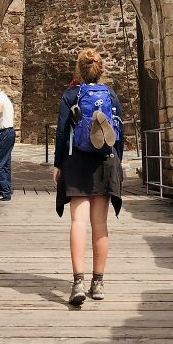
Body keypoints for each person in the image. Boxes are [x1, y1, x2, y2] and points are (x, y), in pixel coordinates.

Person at [53, 49, 123, 306]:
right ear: (100, 69)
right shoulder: (111, 95)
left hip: (77, 162)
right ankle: (99, 282)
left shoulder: (71, 95)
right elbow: (120, 129)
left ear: (78, 70)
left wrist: (58, 164)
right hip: (105, 162)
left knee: (78, 223)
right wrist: (119, 161)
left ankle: (78, 282)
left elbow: (62, 133)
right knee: (100, 225)